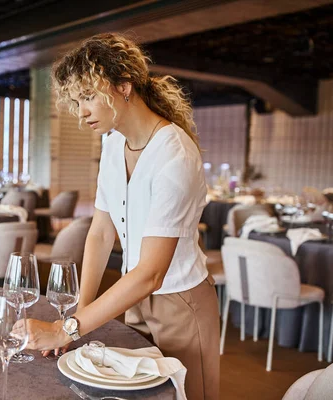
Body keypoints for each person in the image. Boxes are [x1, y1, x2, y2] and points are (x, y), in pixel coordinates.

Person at [17, 33, 220, 400]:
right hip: (133, 297)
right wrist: (76, 317)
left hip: (181, 302)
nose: (81, 112)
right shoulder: (112, 143)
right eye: (77, 100)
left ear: (124, 87)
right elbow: (99, 233)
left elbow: (152, 273)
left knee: (190, 397)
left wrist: (68, 329)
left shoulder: (174, 154)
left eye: (89, 96)